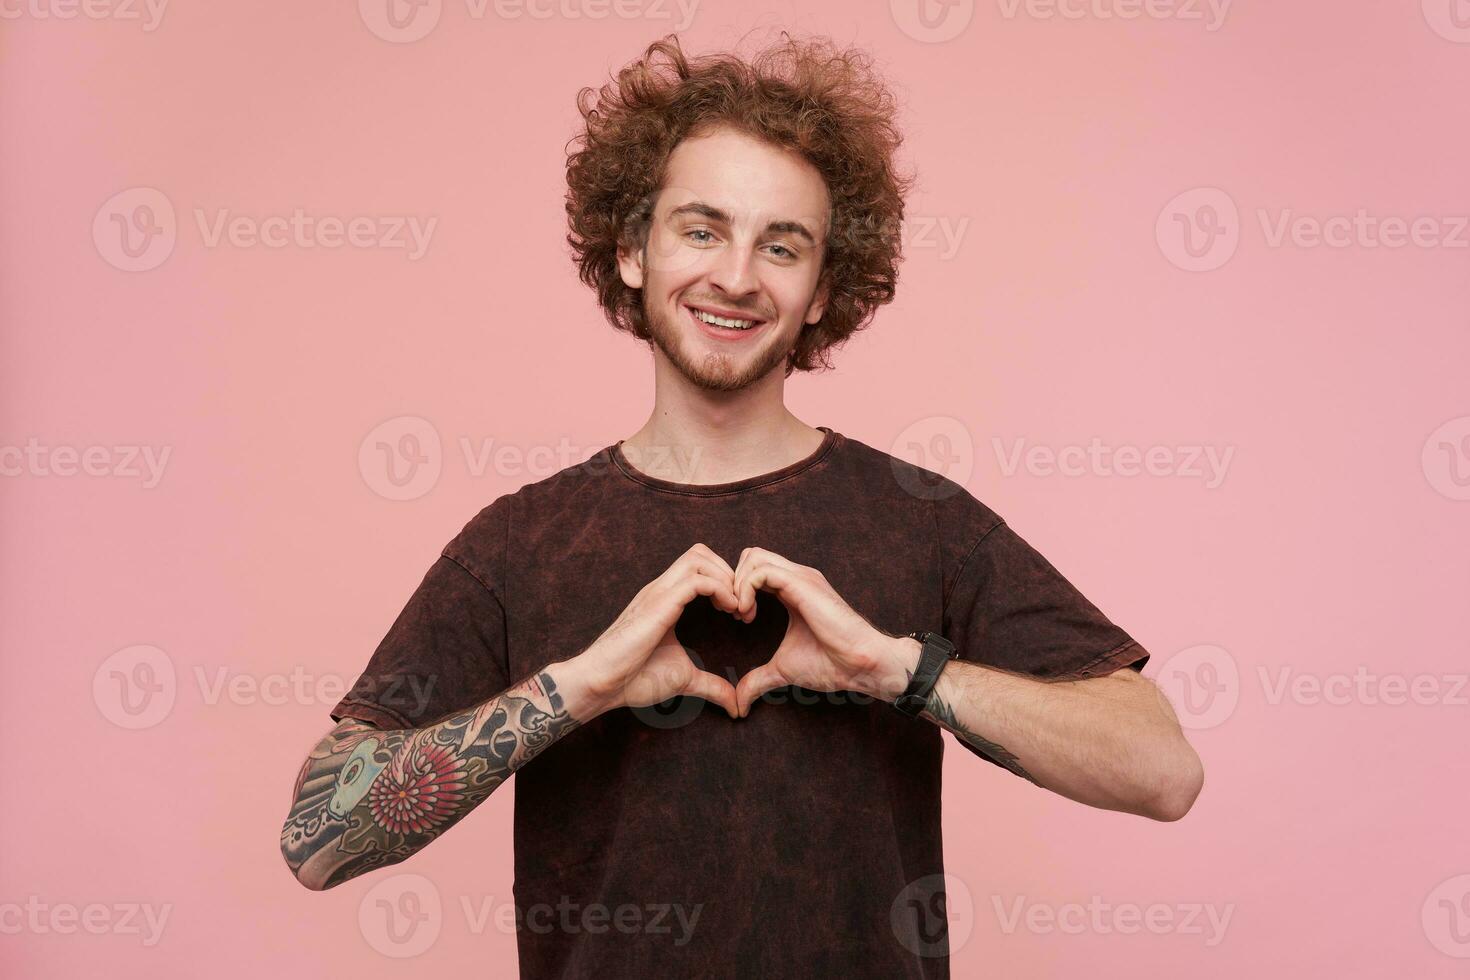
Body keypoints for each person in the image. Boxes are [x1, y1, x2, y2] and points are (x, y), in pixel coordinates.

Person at [279, 32, 1203, 978]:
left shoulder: (924, 519)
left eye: (782, 244)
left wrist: (902, 674)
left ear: (821, 292)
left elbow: (1163, 772)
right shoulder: (519, 542)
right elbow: (317, 838)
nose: (736, 276)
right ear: (633, 251)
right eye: (701, 228)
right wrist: (577, 689)